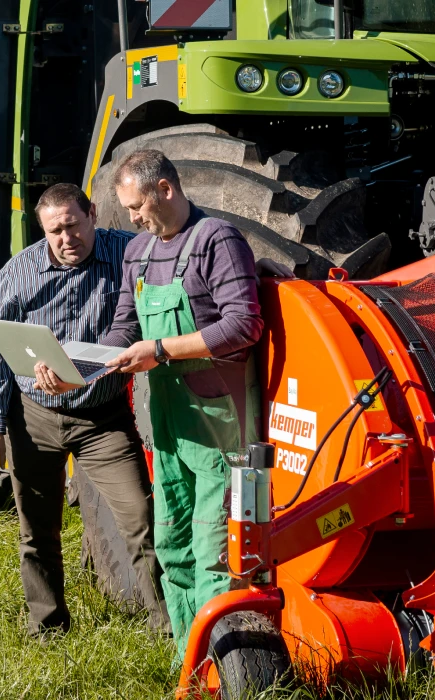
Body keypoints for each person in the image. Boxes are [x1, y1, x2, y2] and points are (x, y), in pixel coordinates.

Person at [0, 183, 168, 636]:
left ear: (93, 215)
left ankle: (168, 625)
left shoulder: (130, 252)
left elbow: (184, 255)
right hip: (35, 417)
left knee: (142, 521)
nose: (66, 239)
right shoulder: (18, 273)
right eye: (54, 231)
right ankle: (47, 627)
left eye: (73, 225)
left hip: (103, 420)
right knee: (37, 531)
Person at [102, 149, 263, 654]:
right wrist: (80, 366)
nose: (131, 218)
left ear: (165, 190)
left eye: (136, 206)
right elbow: (125, 326)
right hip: (169, 427)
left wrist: (159, 350)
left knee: (216, 554)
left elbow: (244, 325)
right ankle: (189, 666)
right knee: (173, 547)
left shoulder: (217, 240)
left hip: (222, 429)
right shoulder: (138, 252)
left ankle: (227, 667)